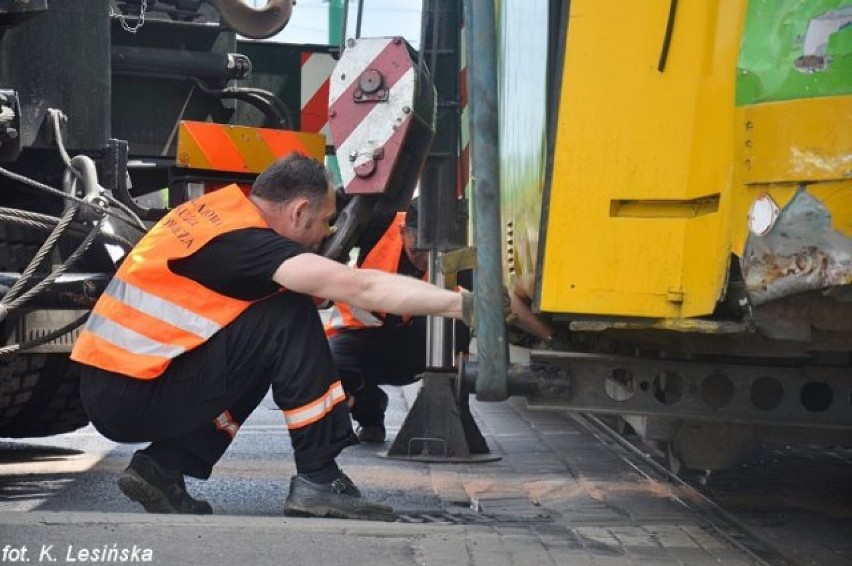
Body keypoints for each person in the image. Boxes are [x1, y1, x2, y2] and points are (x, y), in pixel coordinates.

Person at [70, 153, 474, 520]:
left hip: (118, 384)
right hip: (133, 392)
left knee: (265, 338)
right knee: (287, 315)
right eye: (324, 222)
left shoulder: (219, 213)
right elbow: (361, 288)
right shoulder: (246, 243)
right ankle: (319, 478)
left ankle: (162, 468)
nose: (325, 235)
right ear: (299, 212)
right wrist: (463, 306)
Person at [324, 197, 466, 443]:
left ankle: (449, 414)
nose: (426, 260)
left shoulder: (459, 251)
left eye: (433, 252)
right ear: (403, 232)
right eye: (418, 250)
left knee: (458, 323)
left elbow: (489, 301)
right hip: (366, 337)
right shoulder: (379, 226)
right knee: (327, 362)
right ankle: (370, 412)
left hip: (420, 347)